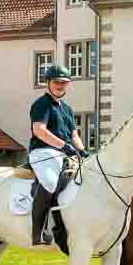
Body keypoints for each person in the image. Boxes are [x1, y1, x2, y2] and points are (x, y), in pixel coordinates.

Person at [27, 64, 85, 245]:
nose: (60, 85)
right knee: (51, 182)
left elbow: (74, 135)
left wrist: (81, 151)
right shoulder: (41, 104)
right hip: (43, 151)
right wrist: (64, 145)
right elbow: (39, 130)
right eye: (57, 82)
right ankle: (38, 232)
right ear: (48, 83)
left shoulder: (67, 109)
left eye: (64, 82)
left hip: (65, 153)